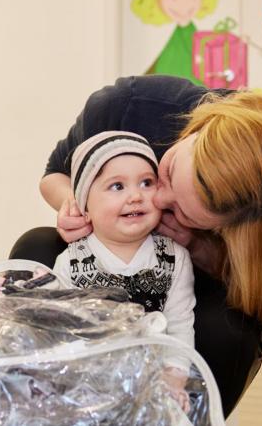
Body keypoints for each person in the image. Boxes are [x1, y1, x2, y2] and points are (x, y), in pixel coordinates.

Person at [9, 75, 262, 417]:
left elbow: (256, 293)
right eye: (164, 174)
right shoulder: (132, 105)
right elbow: (53, 176)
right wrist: (76, 206)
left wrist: (196, 246)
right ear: (196, 131)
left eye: (182, 210)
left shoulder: (256, 213)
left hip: (186, 292)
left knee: (233, 332)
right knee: (36, 246)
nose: (155, 199)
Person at [53, 130, 195, 412]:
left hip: (155, 384)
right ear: (85, 207)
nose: (135, 196)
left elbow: (180, 324)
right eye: (117, 186)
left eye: (146, 182)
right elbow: (61, 334)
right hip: (92, 388)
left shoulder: (174, 257)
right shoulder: (70, 263)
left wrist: (175, 377)